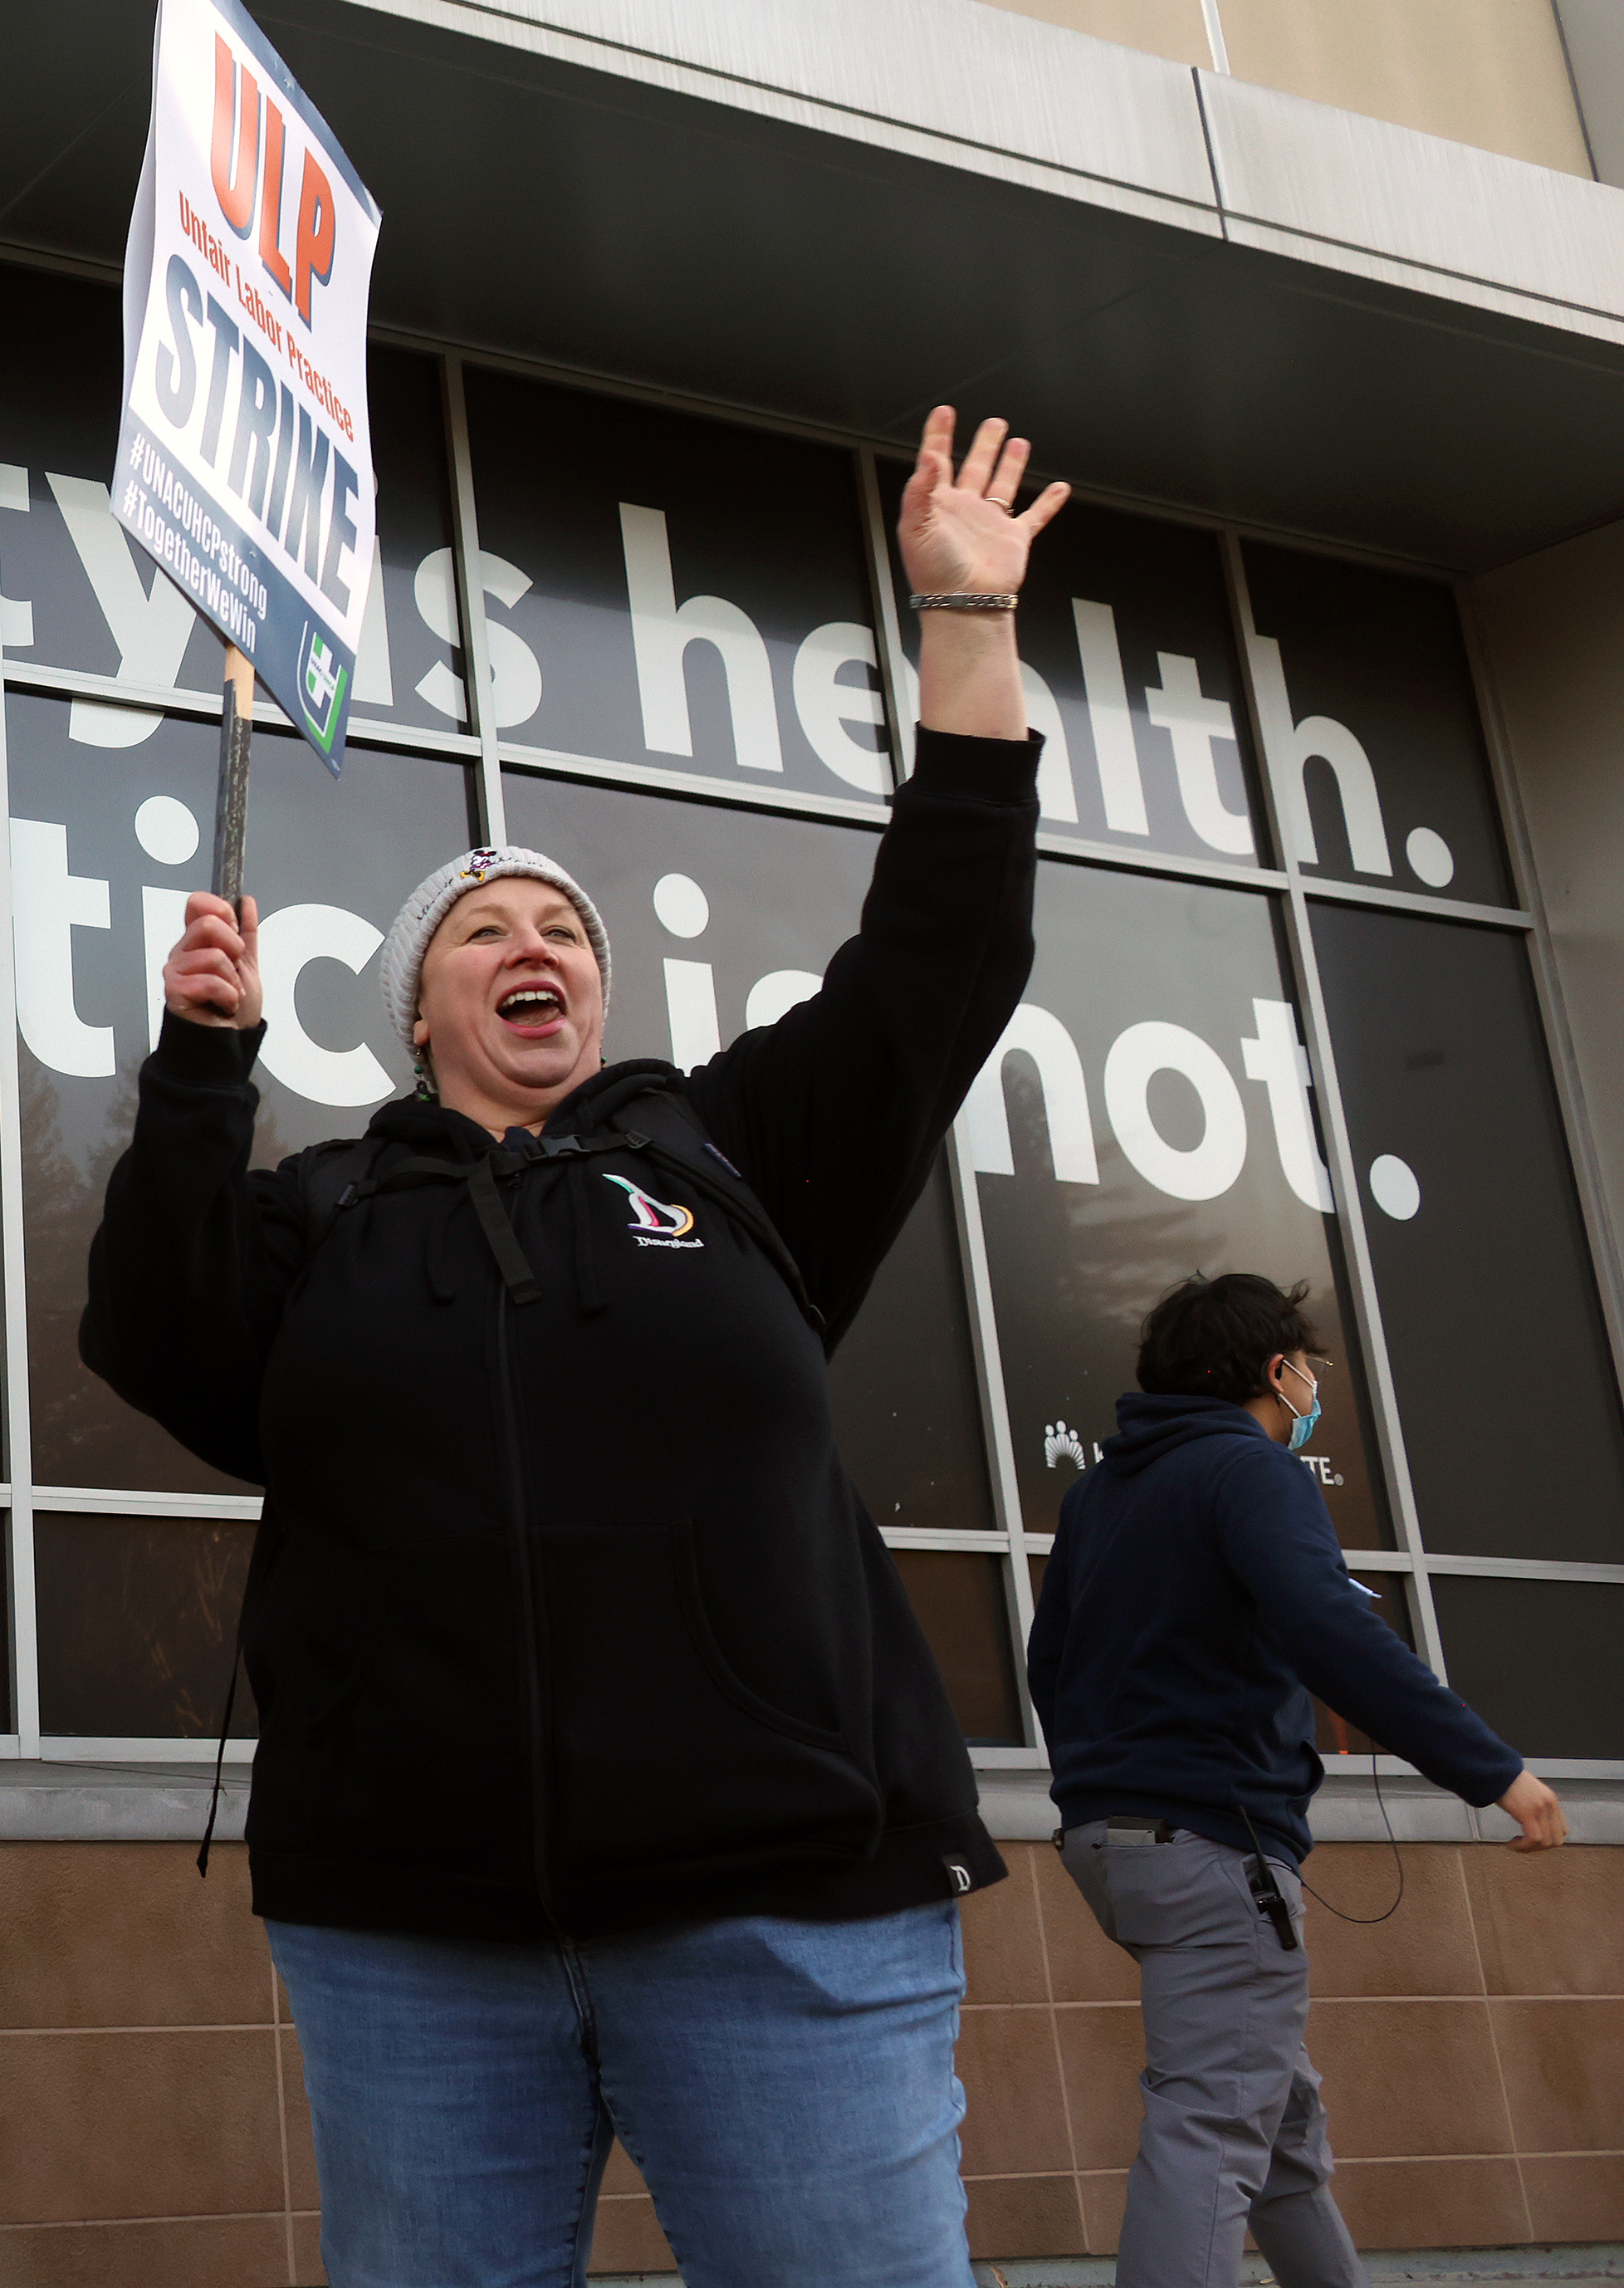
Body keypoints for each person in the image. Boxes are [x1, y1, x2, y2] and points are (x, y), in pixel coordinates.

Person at [80, 408, 1071, 2288]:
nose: (530, 944)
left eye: (559, 928)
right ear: (419, 1005)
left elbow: (943, 950)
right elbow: (155, 1330)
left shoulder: (737, 1148)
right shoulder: (325, 1215)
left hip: (779, 1918)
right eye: (483, 930)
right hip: (413, 1944)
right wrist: (202, 1070)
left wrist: (960, 621)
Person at [1031, 1271, 1569, 2288]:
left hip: (1112, 1844)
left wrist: (1101, 1785)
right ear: (1274, 1370)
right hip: (1211, 1849)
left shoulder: (1097, 1493)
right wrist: (1492, 1770)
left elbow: (1047, 1663)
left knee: (1275, 2124)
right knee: (1212, 2127)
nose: (1312, 1382)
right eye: (1305, 1364)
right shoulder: (1250, 1470)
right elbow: (1326, 1627)